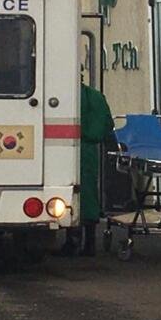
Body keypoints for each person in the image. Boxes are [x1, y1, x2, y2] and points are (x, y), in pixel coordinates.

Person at [57, 82, 115, 257]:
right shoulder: (97, 97)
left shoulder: (67, 94)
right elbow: (108, 125)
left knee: (71, 192)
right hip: (91, 150)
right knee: (89, 194)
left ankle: (73, 241)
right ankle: (90, 243)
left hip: (69, 148)